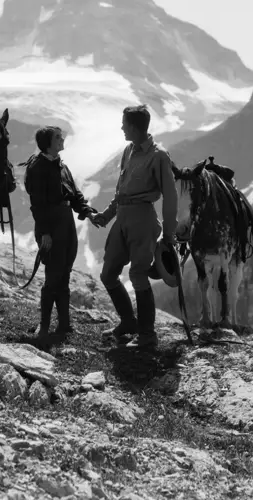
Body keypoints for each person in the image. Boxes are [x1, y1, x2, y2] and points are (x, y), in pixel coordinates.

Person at [91, 105, 179, 349]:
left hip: (143, 219)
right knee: (108, 273)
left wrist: (169, 234)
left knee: (138, 274)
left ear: (135, 126)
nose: (121, 127)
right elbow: (121, 191)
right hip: (122, 218)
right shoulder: (129, 150)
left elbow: (170, 197)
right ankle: (128, 323)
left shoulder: (159, 155)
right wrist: (107, 215)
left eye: (124, 124)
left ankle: (147, 336)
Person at [21, 126, 99, 343]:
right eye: (58, 137)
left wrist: (87, 212)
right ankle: (44, 327)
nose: (62, 139)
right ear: (48, 142)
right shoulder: (38, 168)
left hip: (66, 223)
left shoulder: (61, 166)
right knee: (53, 276)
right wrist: (45, 233)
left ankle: (64, 325)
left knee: (64, 273)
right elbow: (37, 204)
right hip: (51, 226)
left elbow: (74, 195)